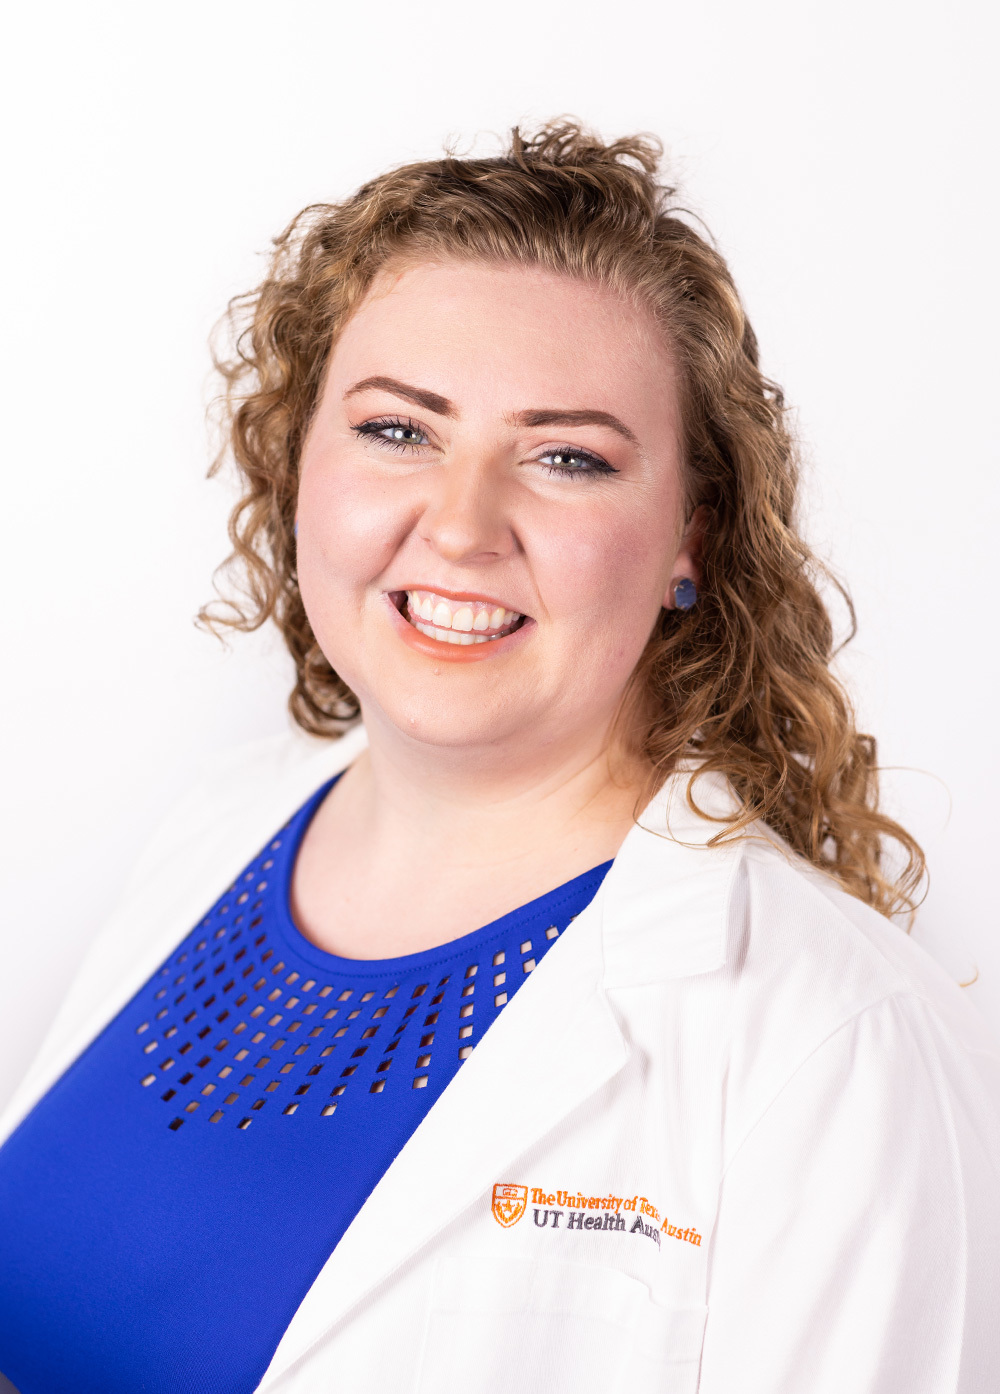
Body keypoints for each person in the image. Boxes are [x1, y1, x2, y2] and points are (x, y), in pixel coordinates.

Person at [0, 121, 996, 1394]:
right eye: (398, 430)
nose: (462, 526)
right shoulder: (222, 826)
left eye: (566, 457)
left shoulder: (840, 1050)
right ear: (299, 459)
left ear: (691, 532)